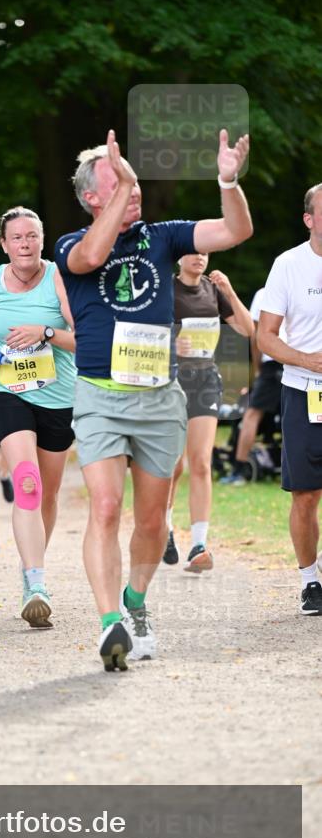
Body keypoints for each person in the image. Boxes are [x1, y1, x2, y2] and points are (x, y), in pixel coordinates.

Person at [55, 128, 252, 670]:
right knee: (105, 507)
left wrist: (228, 180)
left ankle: (136, 604)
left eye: (134, 184)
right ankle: (108, 622)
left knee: (150, 522)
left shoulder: (163, 236)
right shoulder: (70, 245)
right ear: (93, 197)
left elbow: (236, 229)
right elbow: (95, 253)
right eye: (118, 184)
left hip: (160, 397)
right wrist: (125, 185)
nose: (134, 190)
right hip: (99, 395)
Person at [0, 208, 76, 628]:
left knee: (46, 493)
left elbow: (83, 340)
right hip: (4, 389)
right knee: (26, 479)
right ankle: (35, 582)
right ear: (4, 244)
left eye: (32, 236)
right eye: (17, 238)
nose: (25, 244)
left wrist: (45, 333)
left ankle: (32, 561)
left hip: (58, 395)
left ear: (42, 240)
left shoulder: (61, 279)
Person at [163, 257, 253, 570]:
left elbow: (247, 328)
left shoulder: (213, 290)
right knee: (173, 465)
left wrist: (228, 288)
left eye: (205, 252)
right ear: (178, 256)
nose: (200, 257)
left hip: (205, 380)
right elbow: (140, 334)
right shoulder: (165, 289)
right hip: (170, 382)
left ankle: (199, 544)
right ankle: (166, 528)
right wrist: (173, 346)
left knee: (201, 461)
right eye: (192, 251)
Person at [257, 182, 322, 615]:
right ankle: (310, 582)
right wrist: (306, 359)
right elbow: (265, 335)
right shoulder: (289, 265)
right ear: (309, 219)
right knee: (306, 494)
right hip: (305, 391)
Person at [220, 285, 284, 485]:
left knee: (251, 415)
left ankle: (238, 470)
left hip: (274, 362)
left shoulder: (265, 293)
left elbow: (256, 335)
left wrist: (257, 369)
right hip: (304, 361)